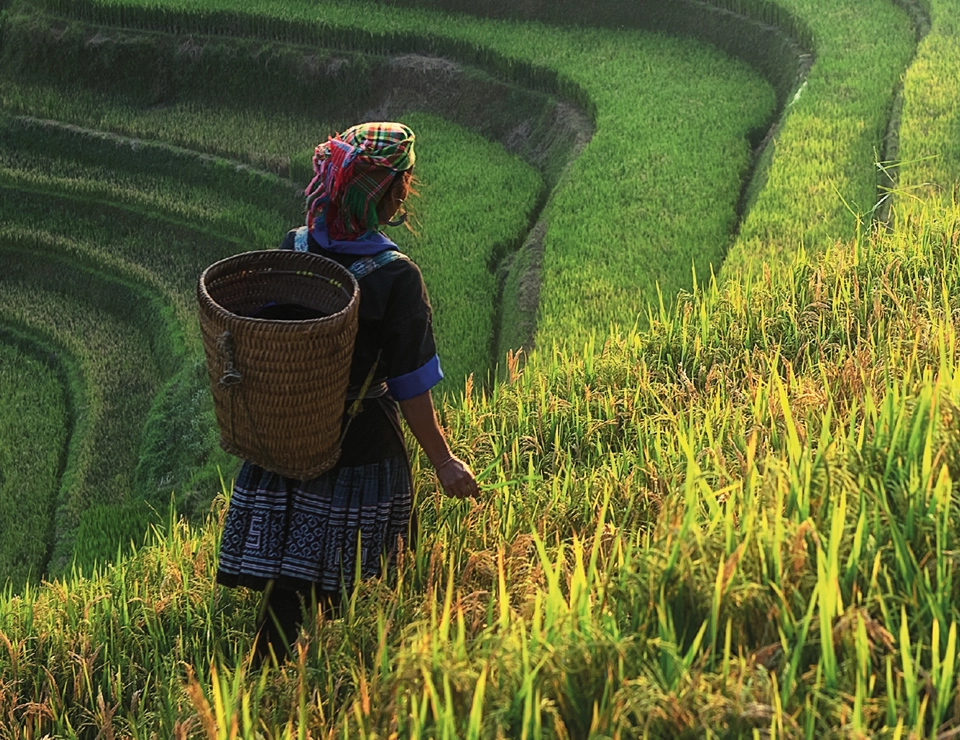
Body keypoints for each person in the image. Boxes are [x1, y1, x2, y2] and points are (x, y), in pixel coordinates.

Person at [215, 122, 480, 665]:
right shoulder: (395, 276)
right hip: (360, 442)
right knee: (361, 579)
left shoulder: (295, 246)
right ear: (389, 192)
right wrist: (445, 462)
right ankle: (347, 681)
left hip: (290, 435)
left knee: (289, 584)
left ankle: (266, 683)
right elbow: (410, 388)